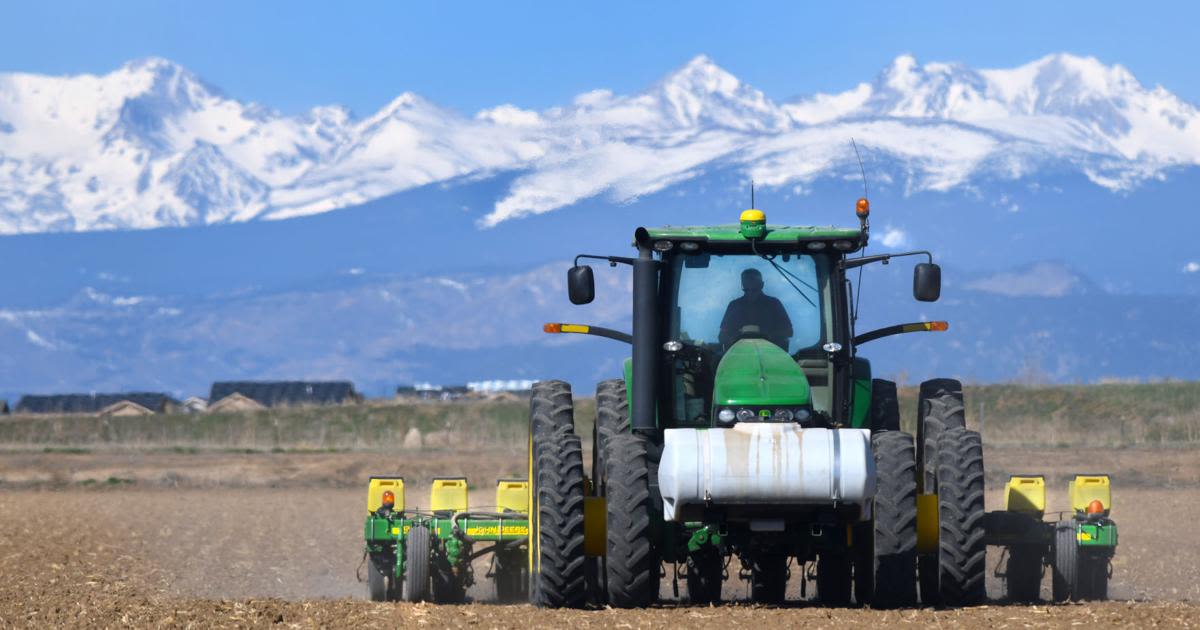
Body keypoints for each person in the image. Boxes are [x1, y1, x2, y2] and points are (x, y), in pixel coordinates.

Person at [719, 268, 794, 351]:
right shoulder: (734, 305)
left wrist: (767, 335)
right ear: (742, 285)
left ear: (762, 285)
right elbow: (722, 335)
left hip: (771, 353)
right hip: (739, 353)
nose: (750, 294)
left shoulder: (774, 304)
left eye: (754, 290)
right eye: (747, 290)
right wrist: (735, 338)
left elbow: (788, 331)